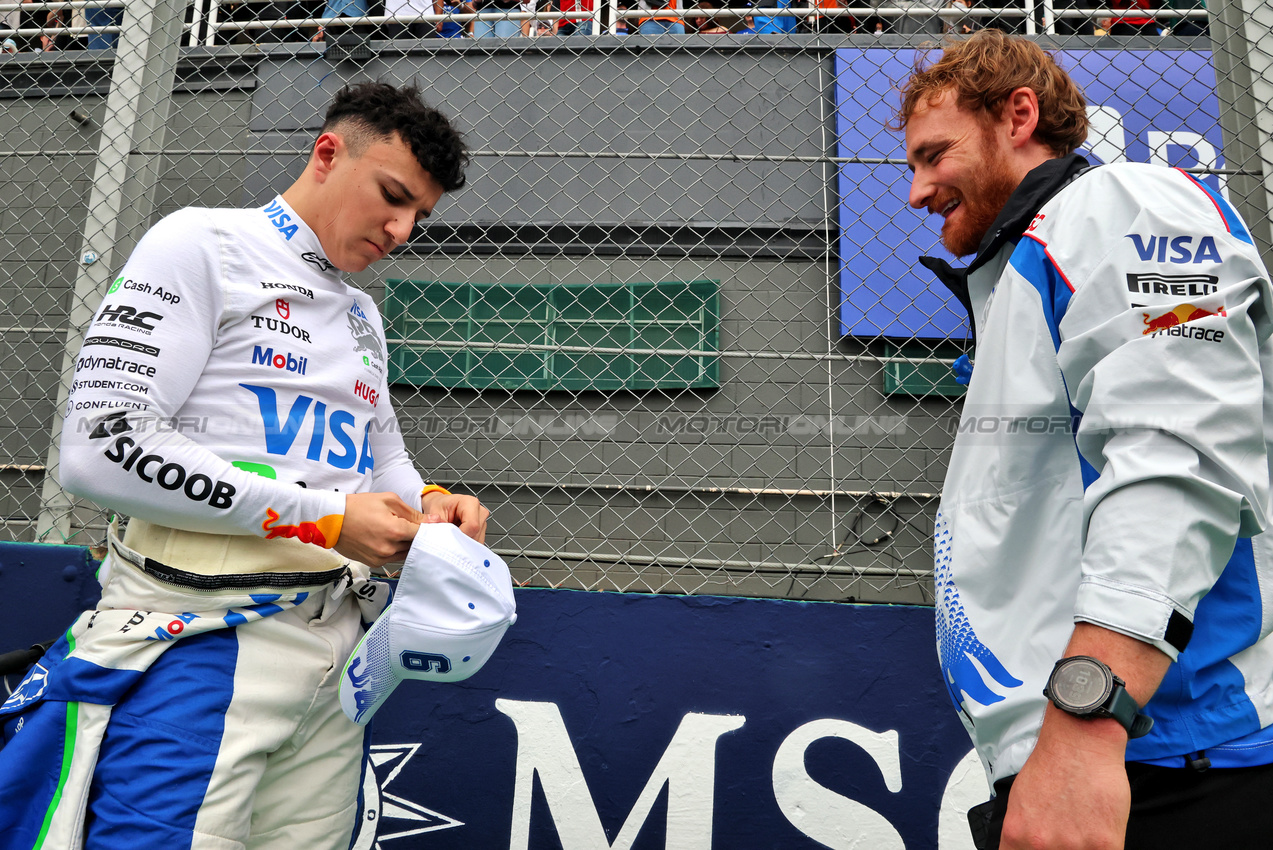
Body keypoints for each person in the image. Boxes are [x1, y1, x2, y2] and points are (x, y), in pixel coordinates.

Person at [0, 82, 489, 849]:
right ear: (327, 153)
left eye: (419, 216)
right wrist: (325, 518)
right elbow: (98, 448)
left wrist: (428, 501)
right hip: (202, 635)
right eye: (392, 197)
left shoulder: (362, 314)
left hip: (338, 660)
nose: (400, 230)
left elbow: (378, 452)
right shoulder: (200, 241)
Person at [897, 30, 1273, 850]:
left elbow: (1177, 454)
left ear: (1018, 115)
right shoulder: (1031, 264)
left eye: (934, 154)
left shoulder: (1122, 202)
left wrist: (1086, 717)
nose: (917, 190)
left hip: (1165, 755)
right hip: (1107, 753)